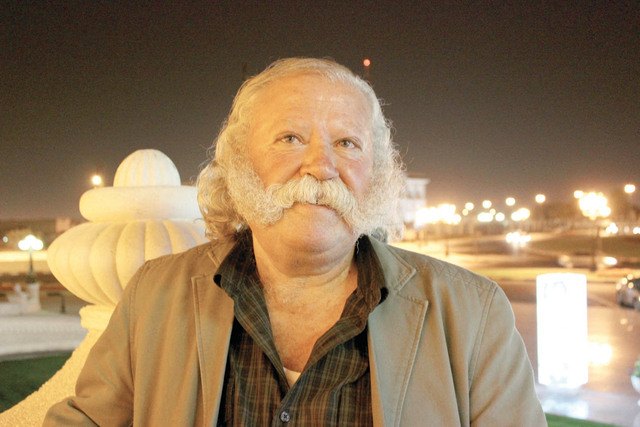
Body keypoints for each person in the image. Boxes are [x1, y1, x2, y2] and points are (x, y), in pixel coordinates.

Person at [44, 58, 546, 426]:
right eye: (290, 138)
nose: (321, 166)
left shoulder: (474, 315)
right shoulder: (155, 294)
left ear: (375, 173)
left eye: (347, 143)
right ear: (240, 164)